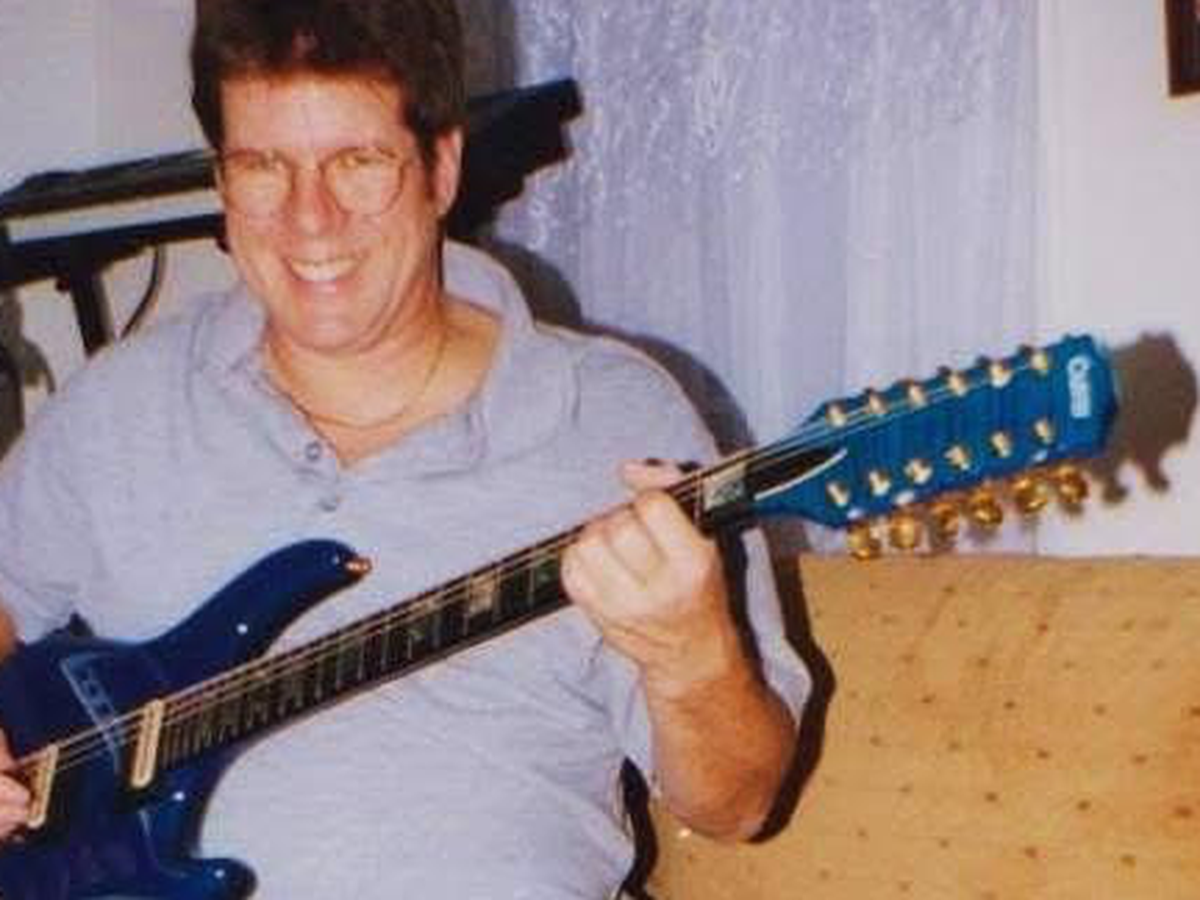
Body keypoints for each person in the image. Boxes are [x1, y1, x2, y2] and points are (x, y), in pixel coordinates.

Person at [0, 0, 810, 896]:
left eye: (358, 162)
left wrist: (689, 651)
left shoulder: (613, 415)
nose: (311, 218)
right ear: (222, 182)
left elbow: (738, 805)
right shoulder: (120, 406)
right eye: (264, 166)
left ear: (441, 167)